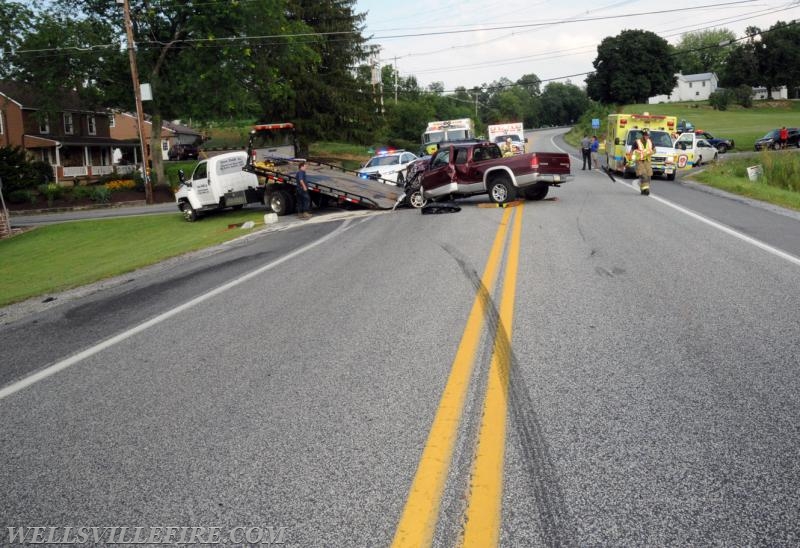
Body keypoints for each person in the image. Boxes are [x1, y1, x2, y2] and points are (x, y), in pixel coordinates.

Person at [631, 129, 654, 195]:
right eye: (646, 135)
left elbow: (654, 150)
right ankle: (646, 190)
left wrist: (651, 152)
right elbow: (632, 151)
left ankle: (644, 189)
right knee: (643, 175)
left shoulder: (650, 141)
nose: (647, 137)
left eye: (648, 136)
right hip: (639, 161)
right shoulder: (637, 142)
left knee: (649, 176)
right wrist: (631, 158)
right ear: (643, 135)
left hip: (647, 161)